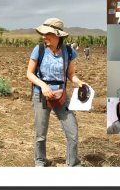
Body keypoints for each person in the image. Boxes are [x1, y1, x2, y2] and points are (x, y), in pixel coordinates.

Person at [26, 17, 87, 167]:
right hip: (40, 95)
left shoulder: (68, 51)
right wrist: (43, 86)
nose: (43, 36)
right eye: (43, 33)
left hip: (61, 95)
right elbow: (29, 74)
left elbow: (70, 73)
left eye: (47, 34)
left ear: (58, 35)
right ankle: (40, 161)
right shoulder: (39, 49)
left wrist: (78, 81)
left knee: (72, 131)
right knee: (40, 133)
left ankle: (73, 164)